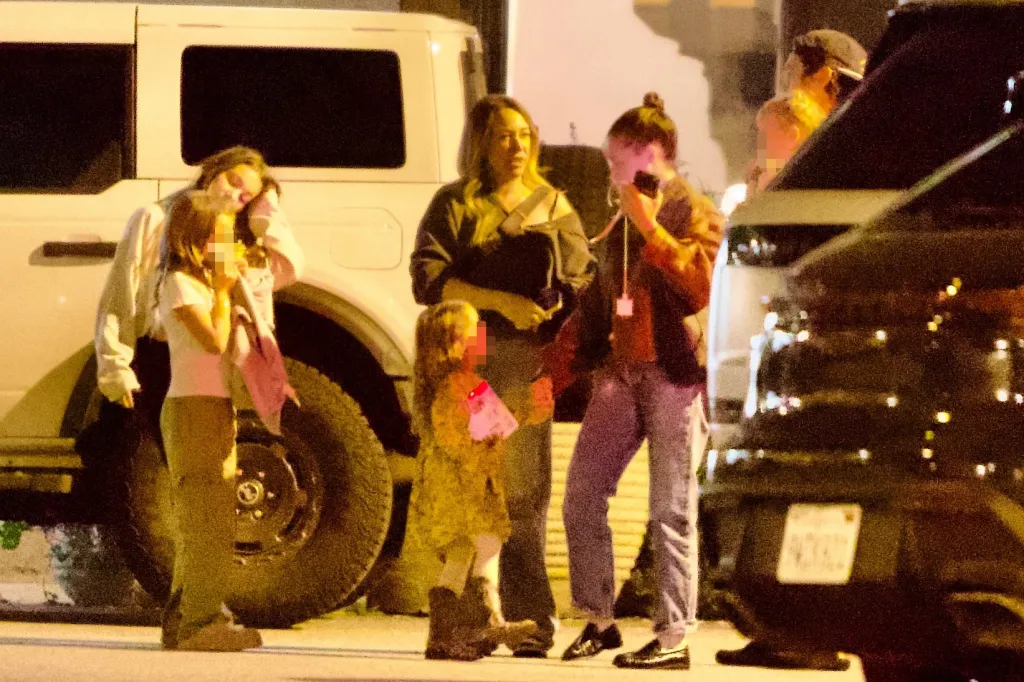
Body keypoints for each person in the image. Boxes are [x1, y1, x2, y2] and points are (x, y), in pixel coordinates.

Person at [88, 146, 304, 648]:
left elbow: (289, 268)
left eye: (247, 193)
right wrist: (114, 363)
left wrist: (266, 206)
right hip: (161, 365)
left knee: (206, 500)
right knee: (202, 502)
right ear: (210, 171)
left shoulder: (228, 247)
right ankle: (197, 615)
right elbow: (120, 295)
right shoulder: (164, 223)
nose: (237, 194)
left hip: (201, 380)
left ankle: (192, 609)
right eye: (232, 181)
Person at [410, 94, 595, 657]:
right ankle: (469, 616)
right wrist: (500, 300)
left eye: (523, 134)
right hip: (479, 346)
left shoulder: (556, 202)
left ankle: (524, 615)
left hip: (526, 349)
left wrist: (556, 299)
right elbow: (428, 280)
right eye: (502, 136)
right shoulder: (456, 203)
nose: (516, 146)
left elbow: (584, 277)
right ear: (482, 145)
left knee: (523, 488)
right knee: (474, 484)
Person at [549, 92, 721, 670]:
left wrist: (651, 226)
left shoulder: (692, 210)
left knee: (671, 506)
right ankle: (599, 620)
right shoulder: (618, 221)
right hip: (621, 373)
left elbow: (702, 288)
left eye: (617, 159)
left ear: (650, 154)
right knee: (581, 494)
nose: (610, 171)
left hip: (674, 377)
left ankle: (673, 637)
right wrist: (554, 372)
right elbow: (598, 305)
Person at [409, 301, 553, 660]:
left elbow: (496, 424)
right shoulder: (456, 386)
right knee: (486, 545)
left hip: (460, 487)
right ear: (452, 344)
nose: (482, 337)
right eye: (475, 331)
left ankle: (449, 634)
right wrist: (525, 404)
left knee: (462, 554)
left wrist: (526, 408)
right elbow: (479, 432)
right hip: (464, 488)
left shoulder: (457, 384)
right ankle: (488, 620)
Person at [155, 192, 261, 651]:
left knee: (208, 517)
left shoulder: (198, 284)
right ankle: (199, 623)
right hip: (192, 409)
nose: (229, 245)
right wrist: (221, 292)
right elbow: (213, 342)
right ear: (195, 239)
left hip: (211, 407)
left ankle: (183, 616)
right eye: (221, 236)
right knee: (206, 524)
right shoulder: (181, 285)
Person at [747, 29, 867, 195]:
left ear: (821, 76)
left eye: (789, 74)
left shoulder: (789, 125)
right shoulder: (860, 151)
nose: (785, 89)